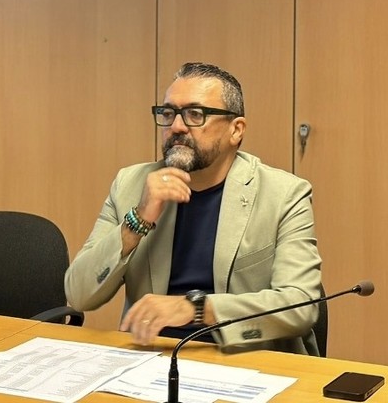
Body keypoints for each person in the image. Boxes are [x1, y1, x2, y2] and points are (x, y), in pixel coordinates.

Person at [64, 62, 322, 354]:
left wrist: (197, 309)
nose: (176, 126)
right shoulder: (131, 184)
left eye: (195, 114)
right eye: (168, 113)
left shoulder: (284, 194)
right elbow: (79, 294)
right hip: (152, 356)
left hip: (243, 358)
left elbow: (300, 306)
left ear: (236, 130)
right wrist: (137, 220)